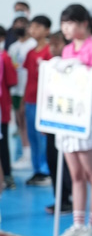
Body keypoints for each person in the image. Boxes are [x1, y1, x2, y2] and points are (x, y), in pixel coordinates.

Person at [53, 4, 92, 236]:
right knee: (75, 174)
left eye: (70, 22)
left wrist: (76, 74)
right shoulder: (65, 50)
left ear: (84, 24)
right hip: (67, 119)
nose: (66, 27)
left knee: (91, 174)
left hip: (85, 118)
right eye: (63, 23)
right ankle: (78, 224)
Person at [22, 15, 52, 186]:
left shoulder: (49, 51)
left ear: (46, 30)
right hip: (30, 99)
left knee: (43, 137)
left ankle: (45, 170)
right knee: (32, 136)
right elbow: (29, 78)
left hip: (43, 101)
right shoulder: (30, 53)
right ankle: (36, 170)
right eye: (31, 27)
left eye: (37, 27)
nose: (33, 30)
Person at [44, 31, 72, 214]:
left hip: (68, 121)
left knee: (67, 163)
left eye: (57, 44)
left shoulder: (72, 66)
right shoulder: (49, 67)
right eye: (51, 44)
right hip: (52, 120)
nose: (54, 48)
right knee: (52, 159)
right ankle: (59, 197)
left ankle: (68, 198)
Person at [8, 16, 35, 170]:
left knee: (28, 123)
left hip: (28, 89)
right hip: (16, 90)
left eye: (23, 24)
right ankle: (25, 153)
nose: (19, 26)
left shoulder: (32, 45)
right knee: (20, 122)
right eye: (16, 23)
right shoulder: (13, 47)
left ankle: (30, 154)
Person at [0, 26, 18, 190]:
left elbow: (12, 81)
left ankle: (7, 175)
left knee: (2, 143)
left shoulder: (4, 58)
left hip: (2, 109)